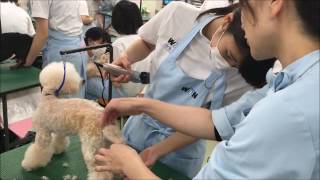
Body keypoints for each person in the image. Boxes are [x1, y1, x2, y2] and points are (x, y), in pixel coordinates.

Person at [95, 0, 320, 179]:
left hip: (179, 156)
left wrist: (131, 165)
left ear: (275, 2)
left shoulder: (287, 110)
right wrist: (140, 104)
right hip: (140, 129)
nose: (242, 17)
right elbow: (216, 122)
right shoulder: (285, 84)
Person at [85, 0, 150, 101]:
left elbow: (115, 81)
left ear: (116, 21)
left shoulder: (118, 44)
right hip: (143, 91)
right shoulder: (147, 41)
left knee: (85, 82)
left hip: (123, 94)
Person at [24, 0, 87, 98]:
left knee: (59, 106)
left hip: (62, 53)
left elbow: (42, 34)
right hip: (79, 48)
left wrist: (27, 62)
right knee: (76, 103)